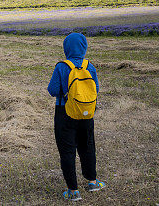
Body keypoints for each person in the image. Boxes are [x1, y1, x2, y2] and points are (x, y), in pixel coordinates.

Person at [47, 32, 107, 201]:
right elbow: (96, 89)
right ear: (84, 47)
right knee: (88, 147)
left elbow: (52, 90)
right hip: (86, 113)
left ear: (66, 48)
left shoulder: (61, 66)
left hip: (64, 113)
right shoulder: (90, 66)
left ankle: (73, 192)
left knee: (67, 151)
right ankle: (93, 182)